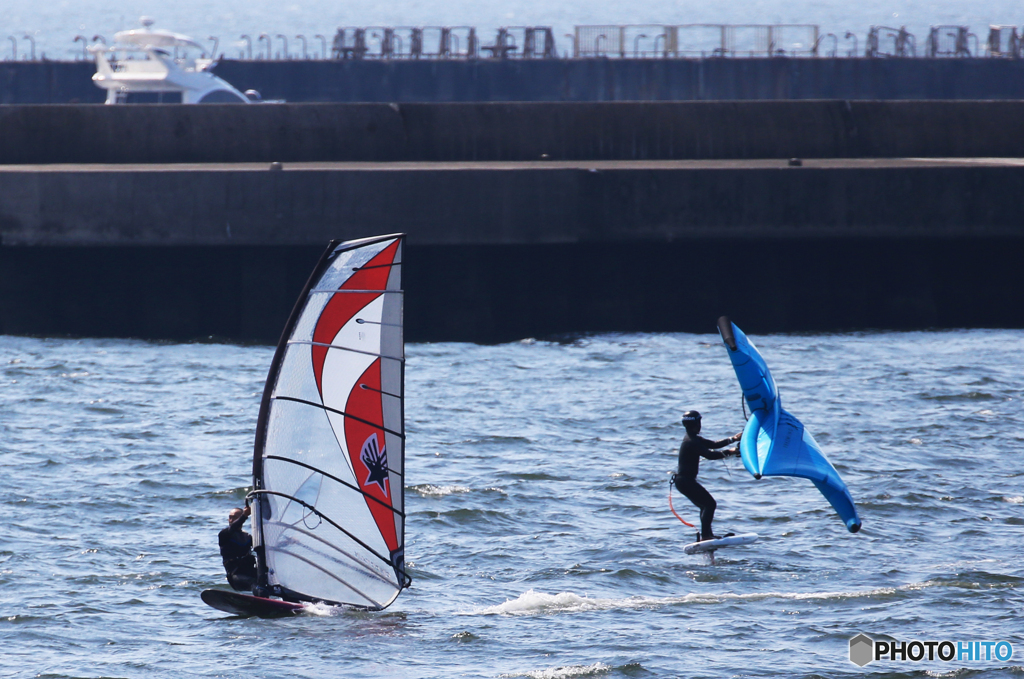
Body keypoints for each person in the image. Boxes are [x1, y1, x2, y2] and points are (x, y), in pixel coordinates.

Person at [672, 410, 741, 542]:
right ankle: (706, 536)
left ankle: (707, 535)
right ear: (697, 423)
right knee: (710, 504)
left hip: (684, 481)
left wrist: (733, 439)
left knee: (706, 505)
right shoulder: (691, 441)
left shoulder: (693, 438)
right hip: (685, 481)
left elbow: (714, 445)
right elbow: (710, 455)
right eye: (699, 422)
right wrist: (730, 452)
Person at [218, 505, 258, 591]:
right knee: (256, 584)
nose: (231, 520)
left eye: (235, 517)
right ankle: (260, 602)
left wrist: (287, 542)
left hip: (250, 572)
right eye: (230, 517)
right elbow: (233, 527)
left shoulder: (247, 537)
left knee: (269, 579)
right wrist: (245, 515)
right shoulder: (224, 535)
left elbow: (265, 546)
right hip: (236, 576)